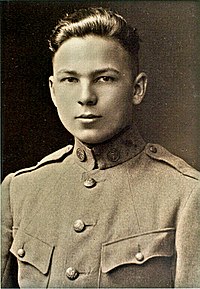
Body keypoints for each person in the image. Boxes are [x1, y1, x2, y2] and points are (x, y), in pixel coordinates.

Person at [1, 7, 200, 288]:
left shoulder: (186, 195)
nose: (86, 97)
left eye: (104, 78)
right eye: (70, 79)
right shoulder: (18, 191)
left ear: (137, 89)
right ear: (53, 91)